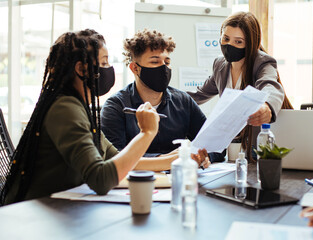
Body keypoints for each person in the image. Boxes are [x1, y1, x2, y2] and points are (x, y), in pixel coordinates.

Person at [1, 29, 159, 205]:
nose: (108, 69)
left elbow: (121, 159)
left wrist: (176, 159)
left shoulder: (80, 108)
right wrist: (147, 133)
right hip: (33, 218)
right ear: (81, 69)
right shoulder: (65, 108)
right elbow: (101, 179)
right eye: (104, 62)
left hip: (60, 211)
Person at [101, 29, 224, 171]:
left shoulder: (183, 101)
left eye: (167, 61)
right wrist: (165, 159)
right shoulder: (116, 106)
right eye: (155, 62)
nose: (163, 68)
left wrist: (204, 156)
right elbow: (115, 157)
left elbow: (216, 145)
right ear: (135, 68)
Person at [187, 11, 293, 160]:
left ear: (250, 44)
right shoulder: (220, 65)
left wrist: (267, 106)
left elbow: (270, 86)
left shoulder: (262, 62)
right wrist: (167, 96)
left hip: (267, 143)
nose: (229, 45)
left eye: (238, 42)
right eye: (226, 38)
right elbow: (199, 94)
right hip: (237, 148)